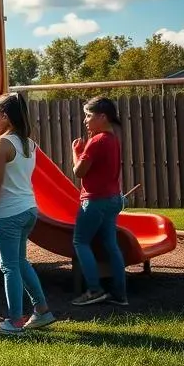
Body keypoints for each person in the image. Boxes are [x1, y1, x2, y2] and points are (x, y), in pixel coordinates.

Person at [0, 92, 57, 335]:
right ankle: (42, 311)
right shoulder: (28, 144)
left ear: (5, 117)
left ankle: (14, 321)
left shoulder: (1, 143)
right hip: (28, 210)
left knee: (9, 267)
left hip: (8, 213)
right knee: (20, 262)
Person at [71, 96, 129, 307]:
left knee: (81, 242)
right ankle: (120, 294)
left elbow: (79, 171)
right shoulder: (113, 139)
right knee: (111, 245)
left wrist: (76, 152)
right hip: (113, 199)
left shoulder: (96, 141)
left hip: (95, 201)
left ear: (102, 116)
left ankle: (94, 289)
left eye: (89, 115)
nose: (85, 120)